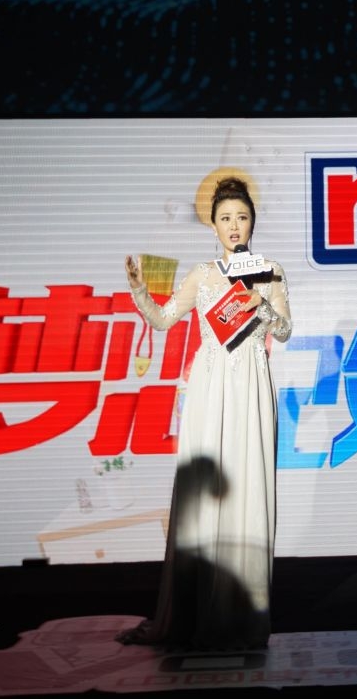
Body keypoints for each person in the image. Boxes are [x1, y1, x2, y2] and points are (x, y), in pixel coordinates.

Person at [116, 175, 291, 650]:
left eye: (242, 217)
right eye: (225, 218)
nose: (234, 225)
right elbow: (162, 319)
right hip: (210, 390)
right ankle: (195, 612)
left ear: (252, 222)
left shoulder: (270, 271)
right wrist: (140, 291)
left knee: (248, 489)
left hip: (252, 388)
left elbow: (285, 330)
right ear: (213, 226)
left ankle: (242, 616)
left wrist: (261, 305)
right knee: (206, 495)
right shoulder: (203, 275)